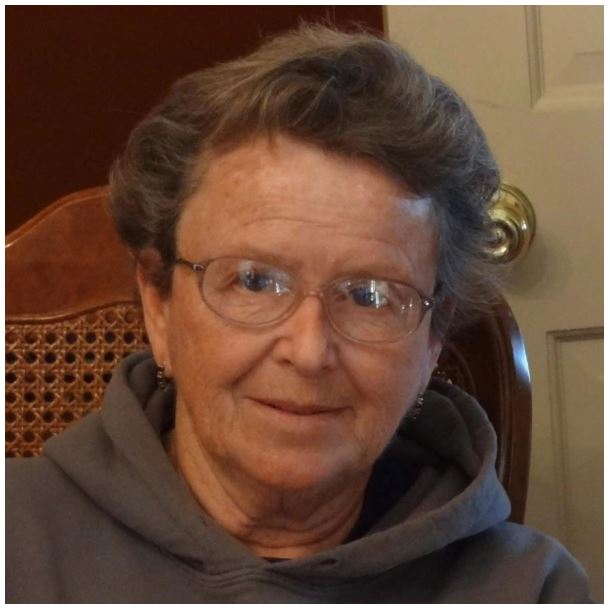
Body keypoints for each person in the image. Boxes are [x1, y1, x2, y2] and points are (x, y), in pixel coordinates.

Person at [6, 25, 592, 603]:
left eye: (370, 296)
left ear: (433, 339)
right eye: (255, 281)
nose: (309, 352)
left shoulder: (527, 588)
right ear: (159, 307)